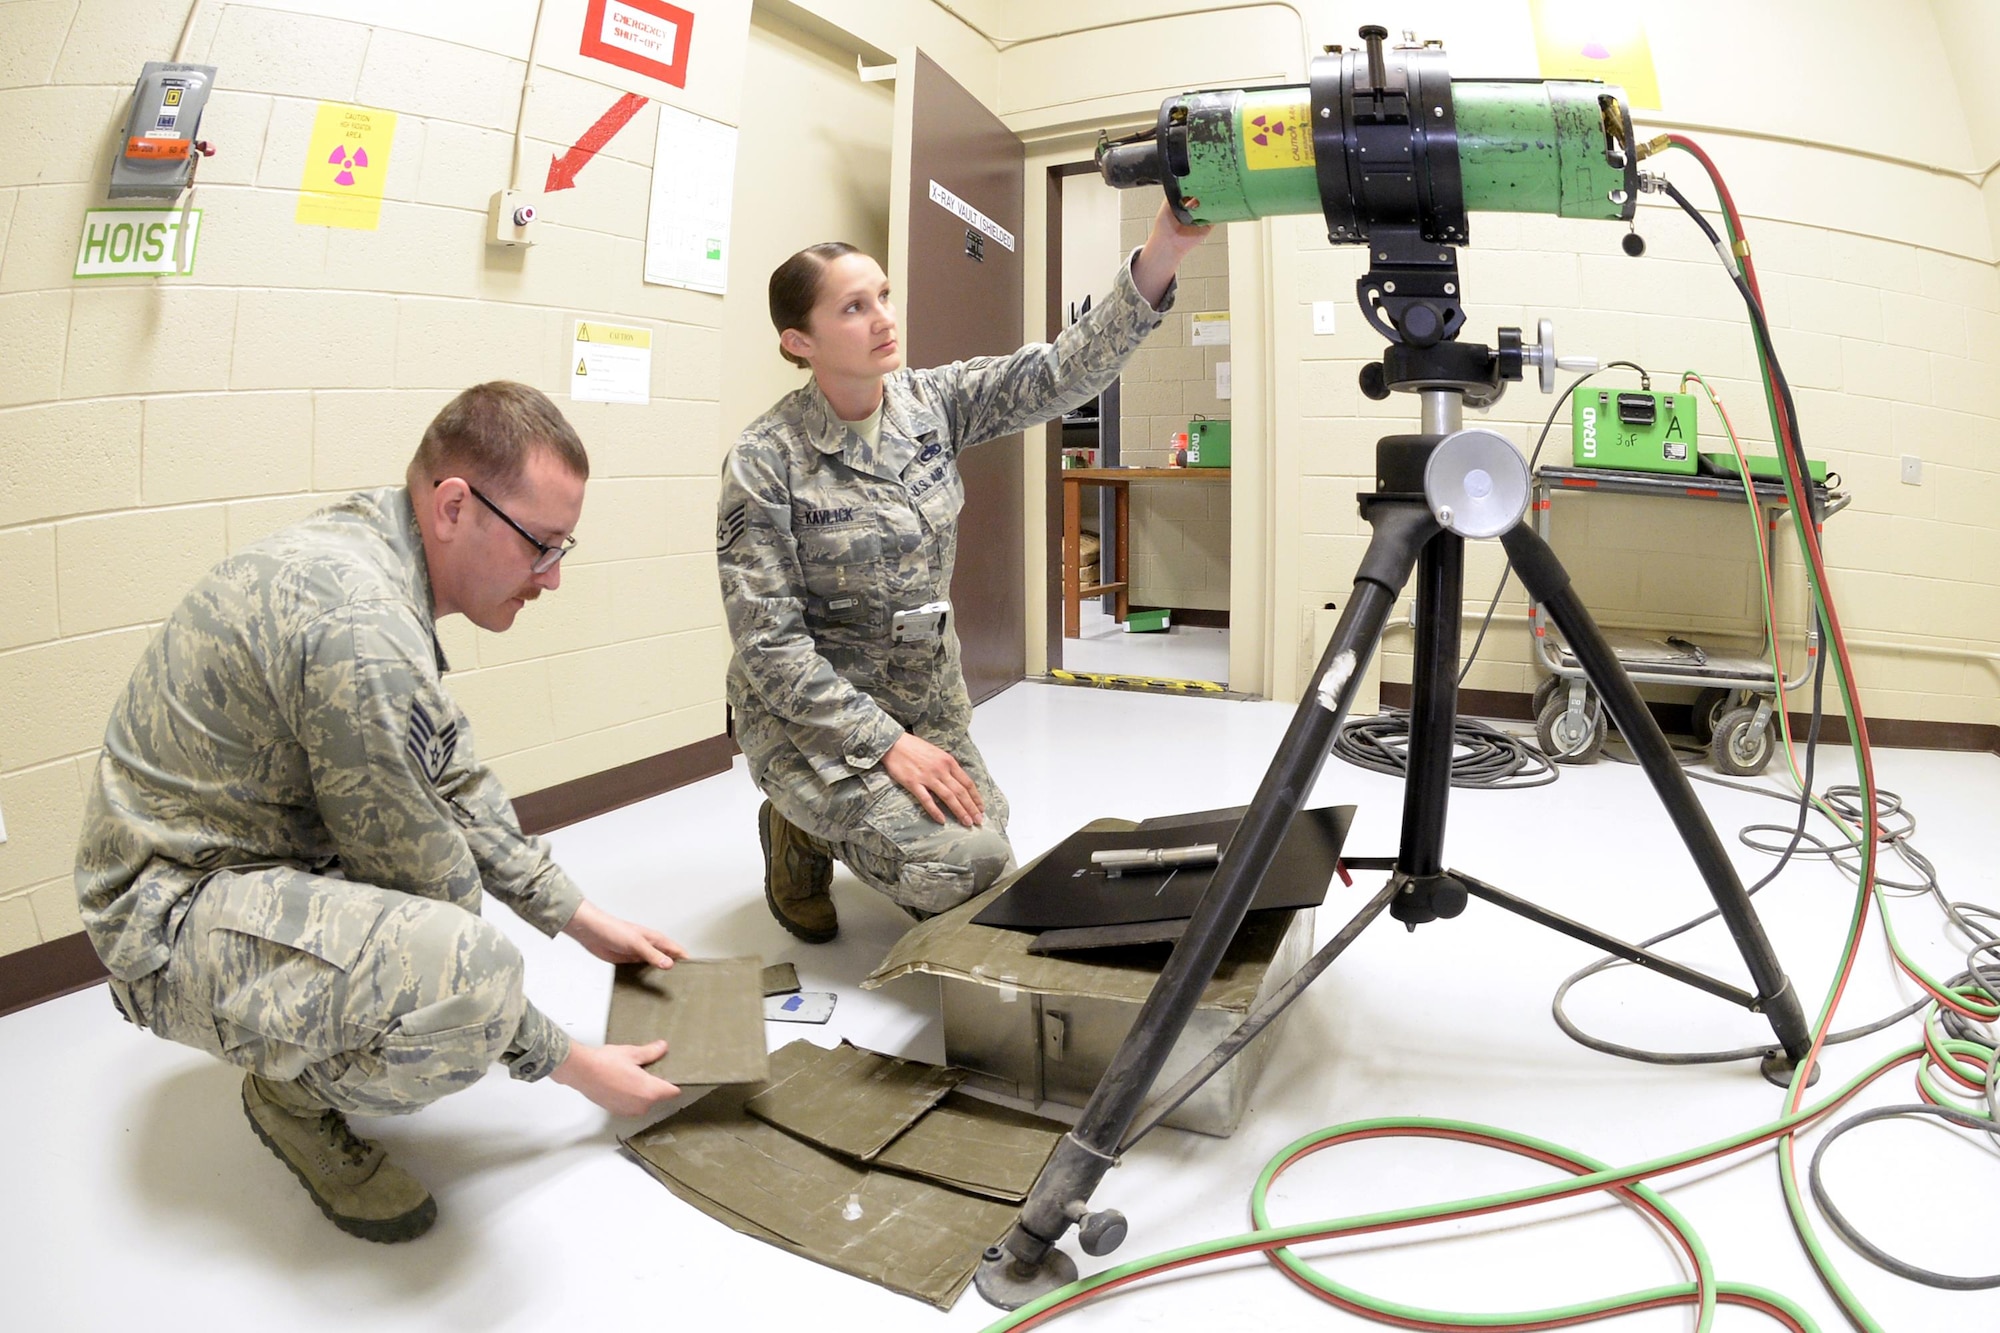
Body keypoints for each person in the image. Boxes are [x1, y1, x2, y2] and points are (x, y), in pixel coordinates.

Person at [74, 381, 685, 1244]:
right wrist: (578, 1067)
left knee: (450, 952)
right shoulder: (363, 630)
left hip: (244, 850)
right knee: (466, 980)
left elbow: (448, 771)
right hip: (164, 916)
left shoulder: (373, 544)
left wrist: (580, 917)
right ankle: (287, 1096)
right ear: (453, 506)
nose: (553, 577)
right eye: (542, 546)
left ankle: (287, 1050)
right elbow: (441, 913)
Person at [717, 201, 1211, 943]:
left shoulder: (931, 404)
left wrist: (1161, 255)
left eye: (883, 295)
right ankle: (796, 830)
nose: (884, 317)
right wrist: (884, 743)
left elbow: (1058, 374)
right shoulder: (767, 459)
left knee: (987, 844)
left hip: (924, 695)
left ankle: (842, 825)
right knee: (958, 868)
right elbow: (771, 647)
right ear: (800, 341)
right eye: (854, 307)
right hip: (813, 720)